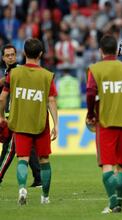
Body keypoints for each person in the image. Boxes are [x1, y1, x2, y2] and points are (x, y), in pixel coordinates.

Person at [86, 35, 122, 213]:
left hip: (105, 121)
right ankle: (119, 202)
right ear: (117, 51)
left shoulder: (95, 69)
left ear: (100, 51)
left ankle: (112, 203)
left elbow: (90, 92)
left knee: (107, 165)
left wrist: (90, 113)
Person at [0, 39, 58, 205]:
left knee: (22, 159)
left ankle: (22, 189)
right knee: (44, 161)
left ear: (24, 53)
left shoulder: (14, 74)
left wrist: (2, 116)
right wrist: (56, 124)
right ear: (40, 54)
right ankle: (45, 197)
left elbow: (2, 98)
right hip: (41, 124)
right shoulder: (47, 76)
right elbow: (51, 101)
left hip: (20, 123)